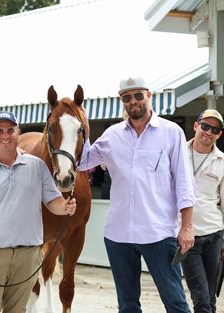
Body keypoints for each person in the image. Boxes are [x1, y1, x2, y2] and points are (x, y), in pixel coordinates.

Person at [79, 77, 196, 313]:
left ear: (149, 96)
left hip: (159, 233)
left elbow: (185, 183)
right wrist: (85, 130)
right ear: (122, 101)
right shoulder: (112, 135)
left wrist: (187, 227)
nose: (133, 101)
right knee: (127, 305)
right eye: (127, 97)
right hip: (118, 234)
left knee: (175, 302)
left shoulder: (171, 132)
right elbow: (83, 162)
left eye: (138, 95)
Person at [0, 111, 77, 313]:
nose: (6, 135)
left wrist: (63, 207)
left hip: (28, 255)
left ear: (18, 132)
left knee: (18, 310)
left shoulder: (37, 167)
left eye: (11, 130)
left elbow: (52, 200)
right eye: (0, 130)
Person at [181, 109, 224, 313]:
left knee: (210, 297)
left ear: (219, 134)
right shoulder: (177, 153)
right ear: (195, 126)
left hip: (214, 236)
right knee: (201, 296)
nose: (208, 132)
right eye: (205, 126)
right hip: (187, 237)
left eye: (215, 129)